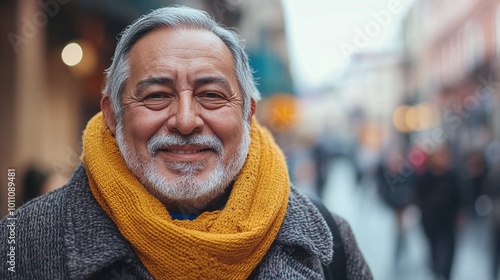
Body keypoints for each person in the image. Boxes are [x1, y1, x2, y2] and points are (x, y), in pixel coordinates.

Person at [0, 6, 372, 279]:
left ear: (248, 114)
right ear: (113, 115)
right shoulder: (22, 244)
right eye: (157, 96)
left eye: (211, 95)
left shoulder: (330, 241)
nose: (185, 121)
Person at [414, 143, 462, 280]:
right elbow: (418, 197)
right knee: (435, 254)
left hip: (448, 223)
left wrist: (459, 215)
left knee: (447, 255)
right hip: (431, 222)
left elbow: (460, 198)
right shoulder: (425, 177)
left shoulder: (453, 176)